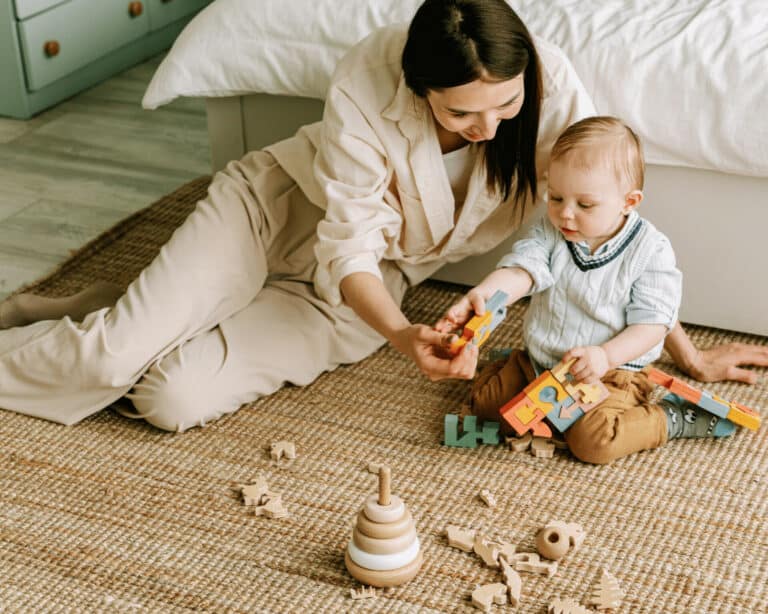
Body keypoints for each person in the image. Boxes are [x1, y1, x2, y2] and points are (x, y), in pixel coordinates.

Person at [0, 0, 764, 433]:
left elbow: (613, 241)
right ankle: (118, 323)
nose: (492, 128)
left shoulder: (550, 89)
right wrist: (401, 335)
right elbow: (349, 241)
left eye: (506, 104)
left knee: (169, 401)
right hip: (275, 217)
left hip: (369, 283)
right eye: (465, 112)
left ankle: (106, 308)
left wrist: (686, 359)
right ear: (420, 86)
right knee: (107, 362)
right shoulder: (367, 76)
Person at [437, 116, 742, 464]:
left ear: (629, 202)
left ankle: (667, 420)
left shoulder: (650, 251)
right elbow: (522, 269)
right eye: (555, 197)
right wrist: (485, 293)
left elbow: (654, 324)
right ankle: (509, 367)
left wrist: (607, 356)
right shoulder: (551, 233)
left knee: (594, 443)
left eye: (584, 205)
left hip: (614, 372)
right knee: (488, 408)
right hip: (542, 362)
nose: (565, 214)